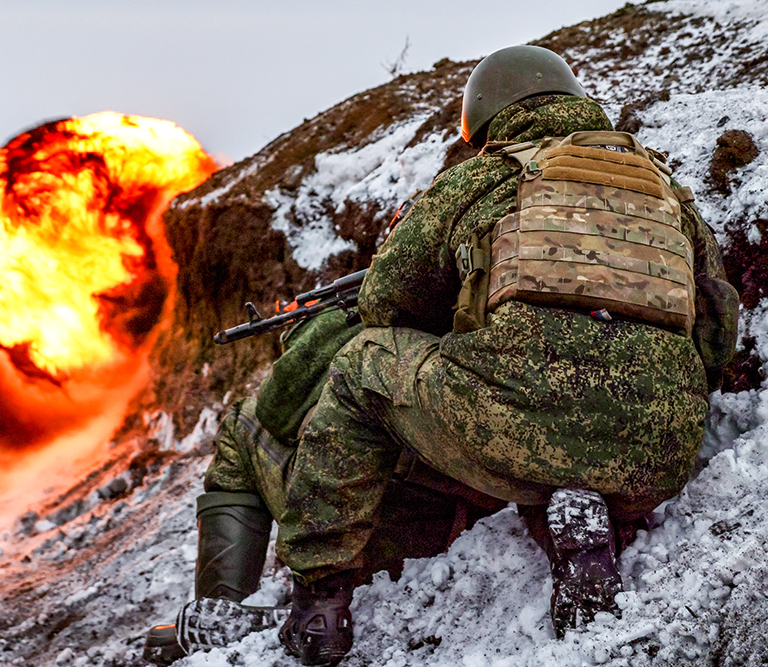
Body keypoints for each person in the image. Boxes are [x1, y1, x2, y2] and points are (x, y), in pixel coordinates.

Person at [275, 45, 740, 665]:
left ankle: (319, 599)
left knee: (364, 364)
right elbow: (717, 328)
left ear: (486, 119)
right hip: (658, 456)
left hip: (518, 427)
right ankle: (580, 521)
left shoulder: (480, 178)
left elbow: (385, 304)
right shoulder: (664, 187)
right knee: (556, 432)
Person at [143, 310, 506, 665]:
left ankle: (220, 619)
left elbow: (276, 404)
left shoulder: (411, 297)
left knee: (243, 424)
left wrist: (326, 318)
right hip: (479, 527)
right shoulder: (508, 313)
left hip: (379, 541)